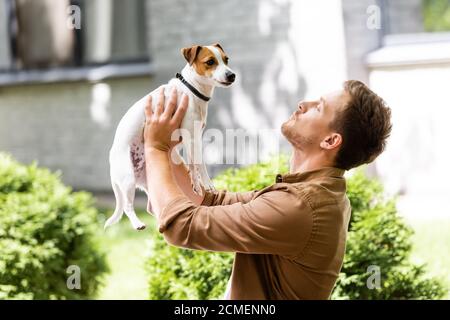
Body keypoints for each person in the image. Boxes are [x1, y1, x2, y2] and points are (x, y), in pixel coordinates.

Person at [143, 80, 392, 299]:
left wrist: (156, 148)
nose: (304, 103)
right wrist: (170, 147)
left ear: (330, 141)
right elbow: (207, 202)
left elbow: (180, 227)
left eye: (319, 107)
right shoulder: (308, 192)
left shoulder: (302, 207)